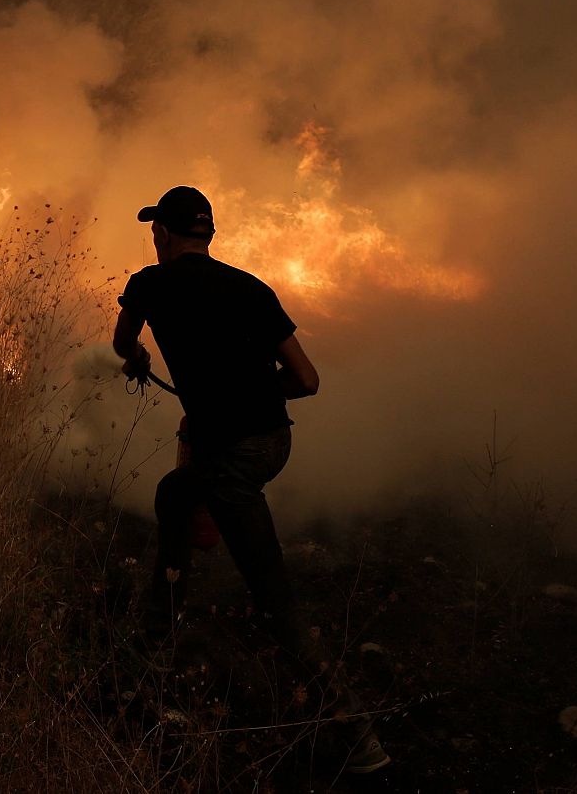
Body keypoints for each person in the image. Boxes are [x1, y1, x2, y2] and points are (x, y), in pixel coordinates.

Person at [112, 185, 390, 775]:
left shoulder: (149, 285)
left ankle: (359, 737)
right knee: (175, 494)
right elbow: (308, 380)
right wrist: (257, 390)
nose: (154, 238)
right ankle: (154, 643)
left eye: (155, 229)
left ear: (163, 233)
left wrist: (138, 362)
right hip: (270, 441)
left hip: (231, 459)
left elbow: (122, 342)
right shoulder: (251, 288)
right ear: (207, 235)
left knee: (273, 600)